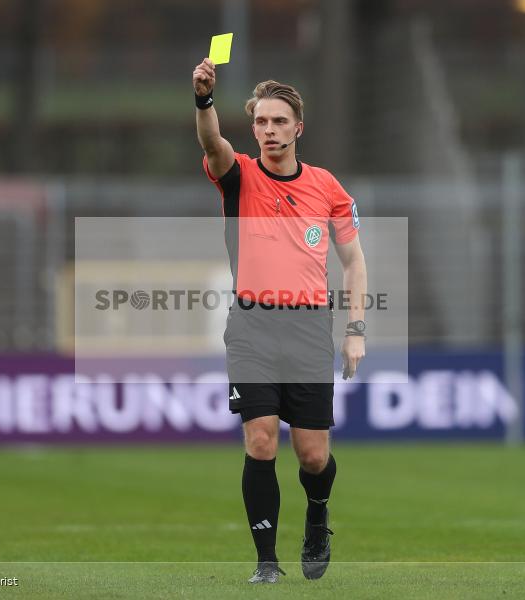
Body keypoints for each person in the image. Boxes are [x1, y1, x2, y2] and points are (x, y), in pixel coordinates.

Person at [192, 58, 368, 583]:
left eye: (279, 122)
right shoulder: (239, 175)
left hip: (309, 328)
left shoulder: (326, 187)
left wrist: (355, 331)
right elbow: (211, 142)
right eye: (261, 122)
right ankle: (266, 563)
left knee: (313, 456)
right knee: (261, 440)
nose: (269, 130)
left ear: (298, 129)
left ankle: (317, 516)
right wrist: (204, 99)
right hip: (252, 328)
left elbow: (354, 262)